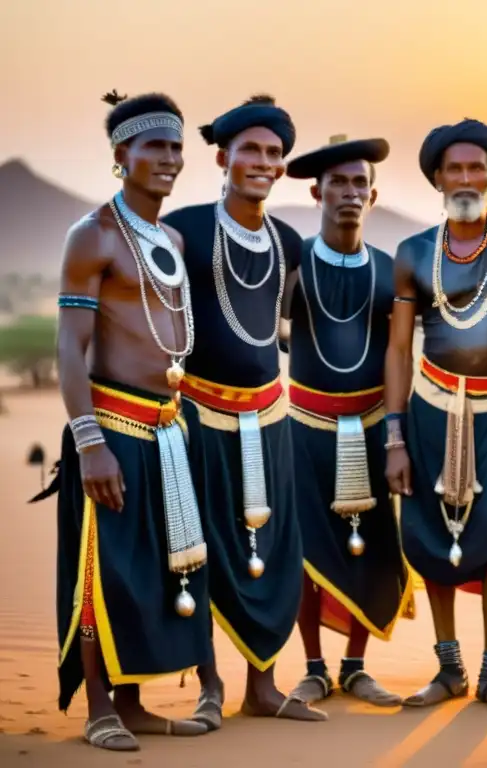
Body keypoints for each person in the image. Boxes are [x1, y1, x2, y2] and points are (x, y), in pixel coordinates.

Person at [37, 90, 212, 751]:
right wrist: (89, 443)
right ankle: (100, 709)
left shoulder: (168, 237)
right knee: (102, 573)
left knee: (152, 573)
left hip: (168, 427)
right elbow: (69, 345)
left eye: (175, 147)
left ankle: (136, 705)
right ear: (121, 156)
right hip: (111, 428)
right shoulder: (94, 235)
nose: (168, 159)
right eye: (154, 147)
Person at [162, 95, 324, 724]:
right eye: (250, 150)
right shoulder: (185, 229)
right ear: (223, 157)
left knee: (276, 550)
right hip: (199, 417)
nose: (263, 162)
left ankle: (265, 687)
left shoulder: (287, 240)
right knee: (200, 551)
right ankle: (209, 689)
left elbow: (276, 324)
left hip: (271, 418)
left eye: (274, 153)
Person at [383, 118, 487, 713]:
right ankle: (448, 667)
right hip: (430, 410)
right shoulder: (414, 252)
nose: (464, 177)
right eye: (452, 167)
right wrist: (395, 438)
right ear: (436, 178)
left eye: (476, 166)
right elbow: (398, 350)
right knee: (432, 537)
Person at [280, 135, 413, 707]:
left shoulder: (391, 272)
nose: (350, 193)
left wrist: (398, 437)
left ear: (375, 195)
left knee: (374, 552)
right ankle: (313, 668)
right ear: (316, 192)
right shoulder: (291, 266)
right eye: (339, 183)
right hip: (304, 429)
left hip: (374, 431)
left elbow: (401, 355)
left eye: (360, 183)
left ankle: (356, 667)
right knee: (308, 556)